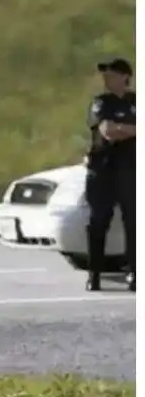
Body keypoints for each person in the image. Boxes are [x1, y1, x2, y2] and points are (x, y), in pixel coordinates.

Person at [84, 57, 136, 292]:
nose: (107, 78)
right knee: (98, 222)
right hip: (103, 170)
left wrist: (124, 129)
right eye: (105, 74)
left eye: (112, 74)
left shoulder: (136, 101)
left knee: (134, 223)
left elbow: (118, 130)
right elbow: (108, 131)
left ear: (125, 77)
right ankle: (94, 274)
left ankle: (135, 272)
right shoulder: (101, 103)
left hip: (130, 170)